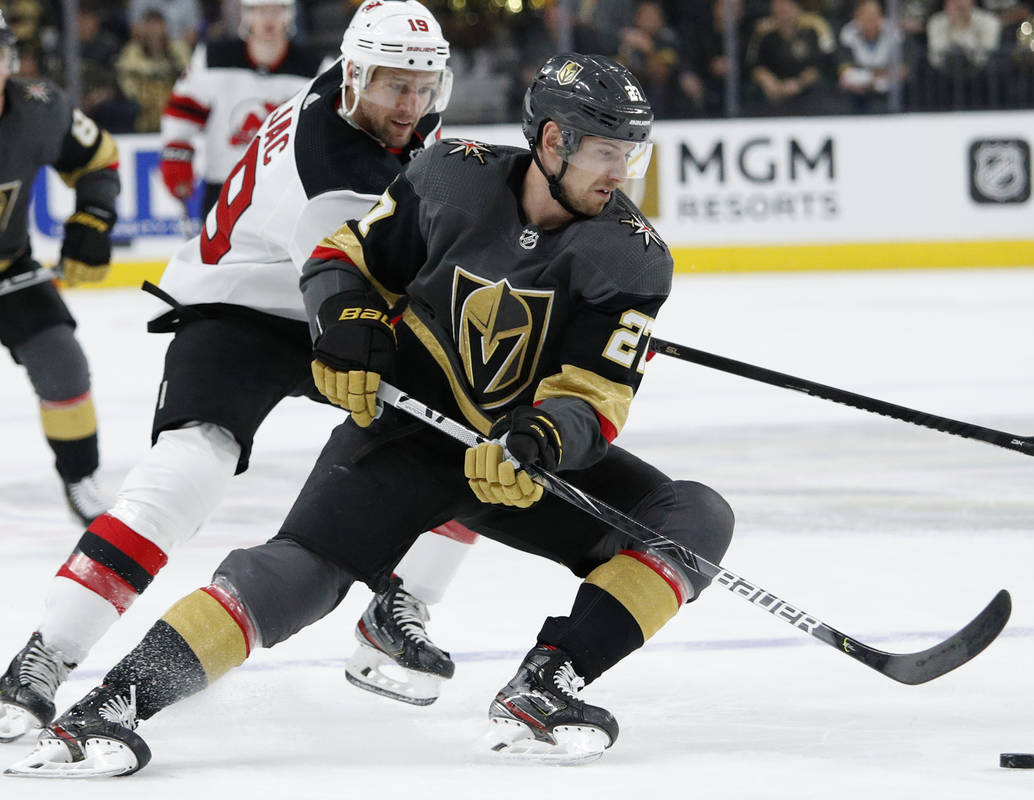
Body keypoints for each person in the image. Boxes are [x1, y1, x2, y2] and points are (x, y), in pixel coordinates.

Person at [4, 52, 735, 776]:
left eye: (631, 155)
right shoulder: (454, 174)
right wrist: (348, 323)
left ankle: (547, 682)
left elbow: (596, 394)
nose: (622, 174)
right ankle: (111, 705)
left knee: (695, 517)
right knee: (297, 579)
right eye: (608, 153)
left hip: (511, 458)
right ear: (553, 141)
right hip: (406, 439)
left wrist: (545, 438)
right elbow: (343, 257)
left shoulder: (633, 258)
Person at [0, 0, 468, 745]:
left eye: (423, 85)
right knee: (189, 471)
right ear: (352, 77)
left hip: (327, 292)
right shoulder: (333, 165)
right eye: (392, 85)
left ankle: (401, 600)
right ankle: (43, 657)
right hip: (242, 307)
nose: (410, 105)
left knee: (473, 423)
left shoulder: (372, 103)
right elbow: (370, 281)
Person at [0, 10, 119, 527]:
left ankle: (80, 476)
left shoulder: (39, 108)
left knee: (63, 363)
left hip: (9, 269)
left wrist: (92, 219)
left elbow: (99, 158)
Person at [160, 0, 327, 216]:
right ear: (246, 15)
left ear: (289, 15)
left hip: (286, 192)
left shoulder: (316, 68)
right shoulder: (212, 59)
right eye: (261, 11)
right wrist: (177, 160)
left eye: (277, 10)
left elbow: (325, 130)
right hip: (223, 187)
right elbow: (181, 115)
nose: (269, 19)